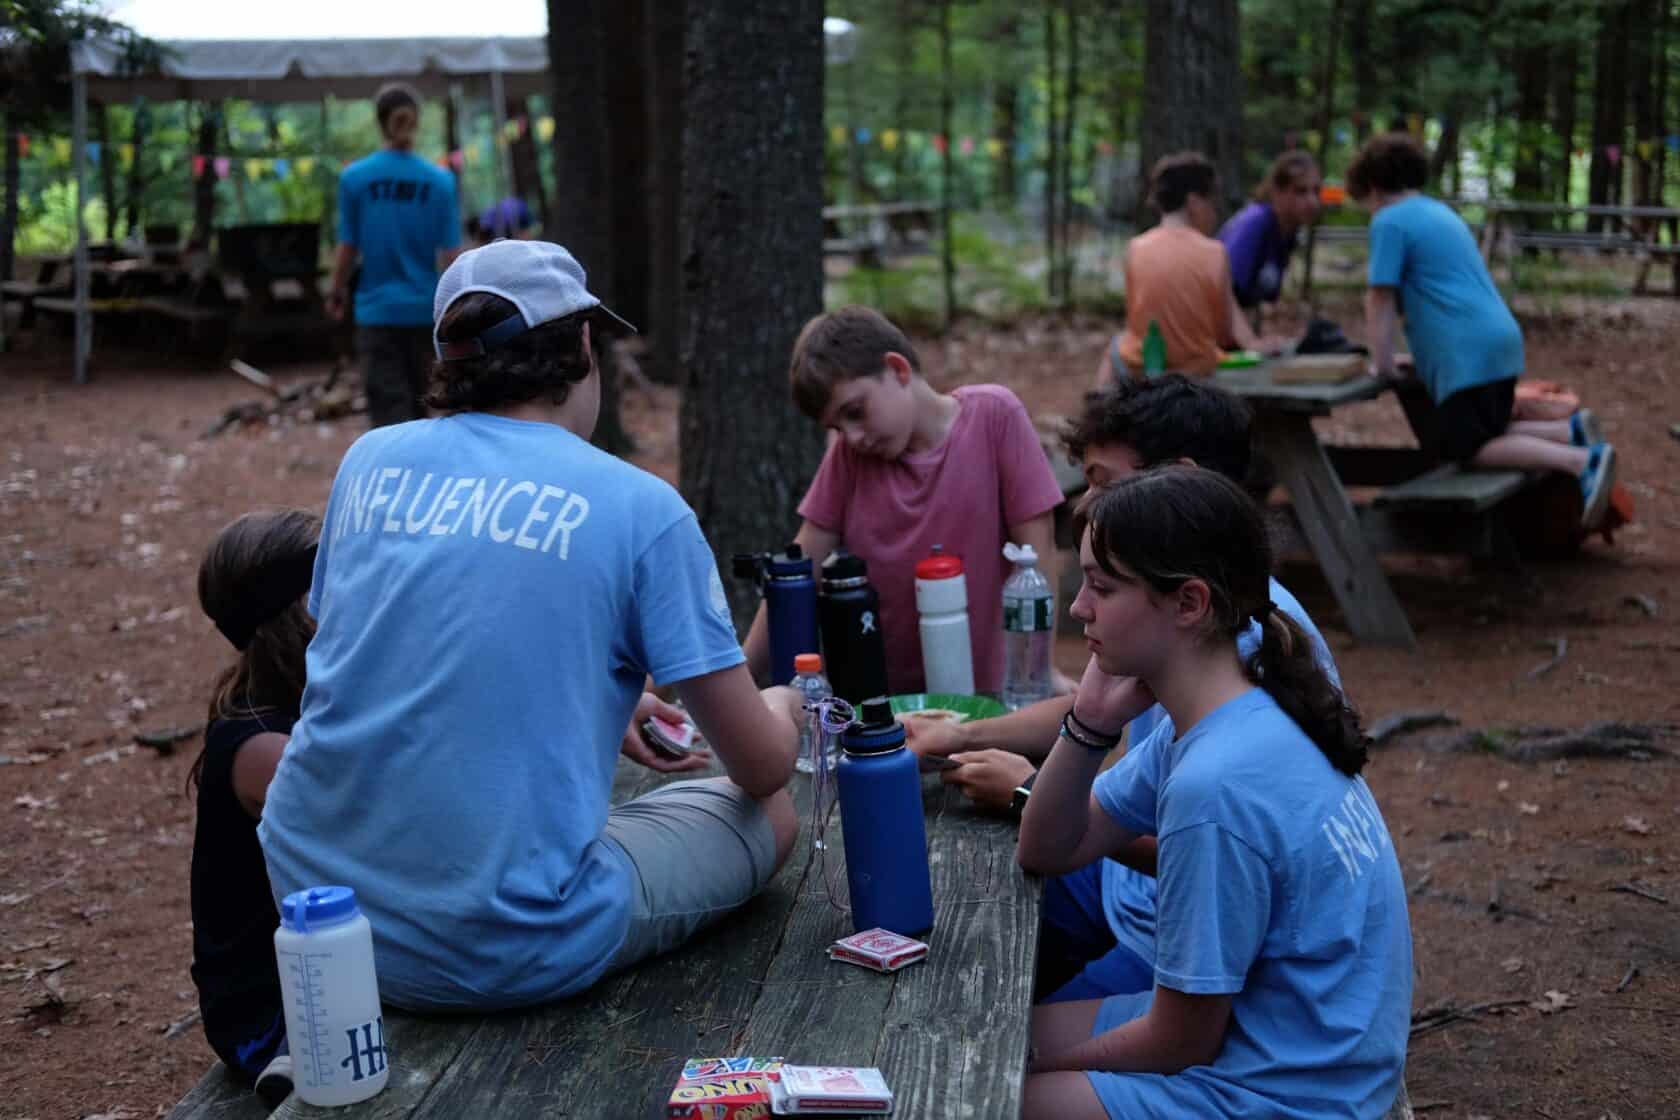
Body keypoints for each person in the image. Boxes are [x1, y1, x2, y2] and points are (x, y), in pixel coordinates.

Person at [260, 238, 803, 1012]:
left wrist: (595, 705)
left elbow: (394, 654)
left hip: (319, 915)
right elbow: (761, 767)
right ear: (584, 346)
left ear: (448, 359)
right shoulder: (641, 508)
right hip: (501, 940)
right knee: (770, 815)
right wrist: (783, 706)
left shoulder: (368, 461)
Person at [908, 376, 1338, 1003]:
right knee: (956, 911)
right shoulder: (1187, 615)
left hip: (1177, 936)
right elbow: (1094, 710)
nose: (1086, 503)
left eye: (1105, 481)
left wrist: (1026, 793)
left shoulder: (1238, 657)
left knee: (983, 1030)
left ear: (1177, 478)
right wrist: (962, 734)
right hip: (1122, 885)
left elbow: (1217, 859)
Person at [1017, 467, 1412, 1118]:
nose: (1078, 609)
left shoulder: (1216, 786)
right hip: (1283, 1039)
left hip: (1292, 1093)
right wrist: (1089, 725)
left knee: (988, 1089)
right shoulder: (1225, 717)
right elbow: (1049, 846)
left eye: (1102, 587)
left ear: (1190, 603)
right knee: (1008, 1035)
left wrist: (1013, 1061)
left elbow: (1182, 1039)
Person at [744, 305, 1067, 695]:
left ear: (897, 370)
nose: (852, 437)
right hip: (891, 713)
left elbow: (1037, 552)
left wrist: (1039, 669)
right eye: (836, 427)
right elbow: (796, 571)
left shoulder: (994, 418)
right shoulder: (850, 459)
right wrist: (741, 679)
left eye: (856, 412)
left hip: (992, 704)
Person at [1349, 132, 1618, 530]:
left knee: (1465, 448)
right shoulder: (1436, 211)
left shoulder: (1389, 221)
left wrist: (1383, 363)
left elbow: (1381, 298)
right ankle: (1567, 431)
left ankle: (1580, 462)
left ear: (1371, 186)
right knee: (1487, 427)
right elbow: (1442, 291)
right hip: (1497, 340)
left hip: (1466, 350)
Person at [188, 509, 320, 1107]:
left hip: (317, 962)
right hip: (267, 1009)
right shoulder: (265, 748)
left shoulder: (291, 700)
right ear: (301, 608)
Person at [326, 83, 463, 429]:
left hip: (377, 313)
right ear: (415, 122)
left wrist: (336, 291)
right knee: (422, 411)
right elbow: (451, 255)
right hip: (424, 311)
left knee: (389, 416)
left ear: (379, 122)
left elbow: (347, 247)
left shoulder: (355, 178)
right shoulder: (440, 181)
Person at [1094, 152, 1282, 388]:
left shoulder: (1135, 247)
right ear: (1193, 202)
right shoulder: (1214, 252)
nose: (1214, 213)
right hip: (1197, 371)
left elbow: (1137, 320)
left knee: (1117, 344)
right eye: (1212, 203)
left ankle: (1096, 409)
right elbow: (1223, 334)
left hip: (1142, 368)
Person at [1219, 150, 1322, 319]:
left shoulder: (1286, 231)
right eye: (1300, 191)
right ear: (1276, 192)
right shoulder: (1255, 224)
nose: (1312, 201)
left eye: (1316, 191)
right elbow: (1224, 294)